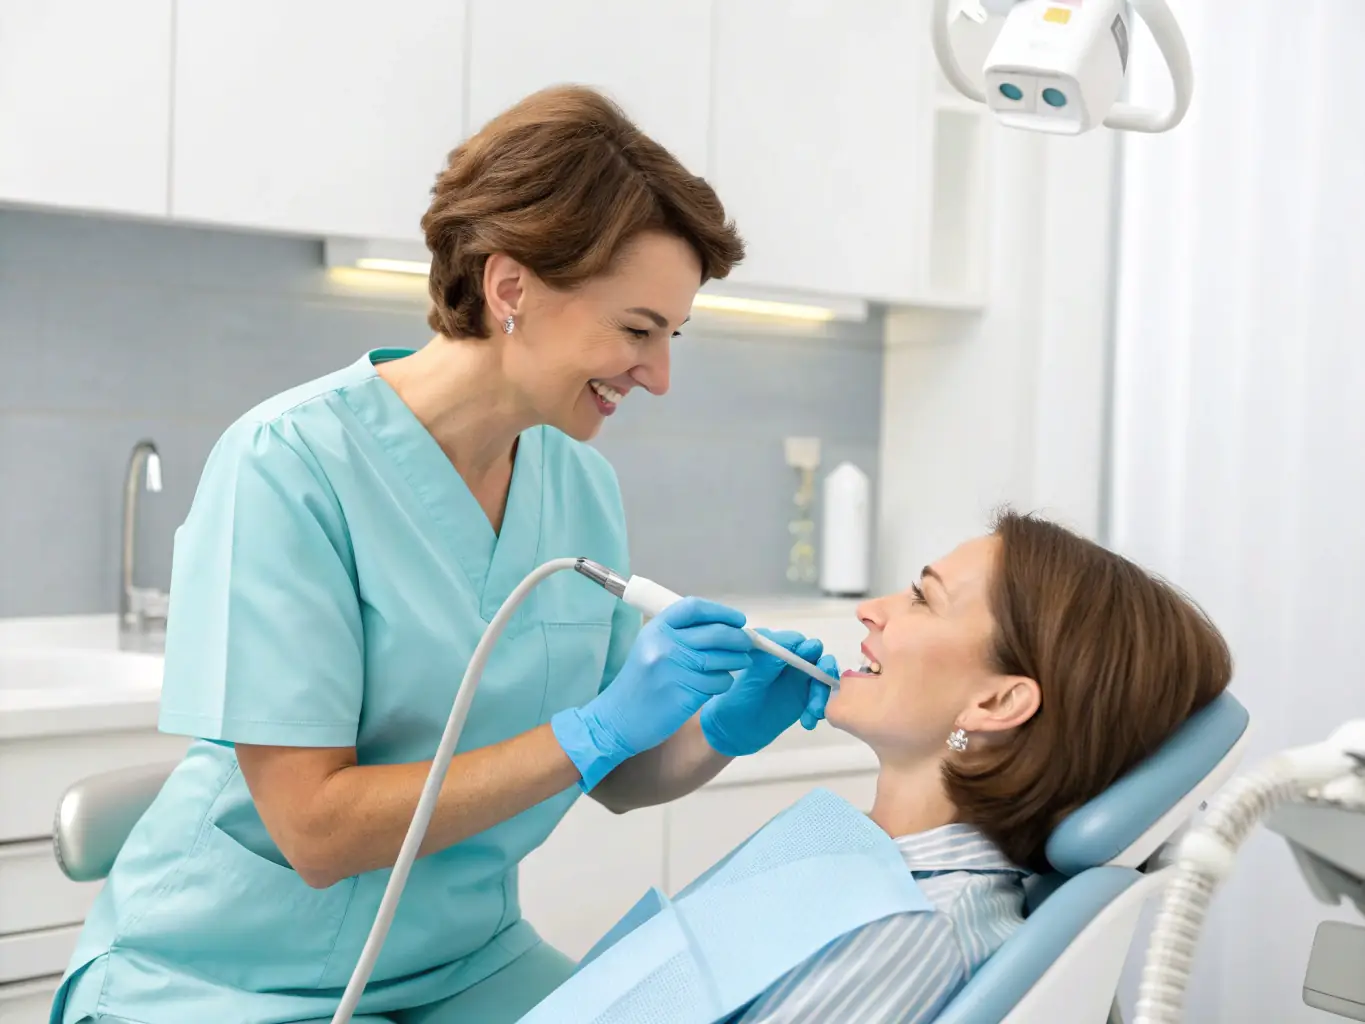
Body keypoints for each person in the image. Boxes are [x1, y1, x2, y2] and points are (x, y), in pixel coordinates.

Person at [51, 85, 830, 1024]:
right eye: (636, 330)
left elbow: (613, 773)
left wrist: (716, 731)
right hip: (224, 976)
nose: (658, 375)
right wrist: (591, 729)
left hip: (462, 964)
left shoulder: (578, 487)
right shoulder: (292, 466)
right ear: (510, 289)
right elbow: (314, 829)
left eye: (671, 336)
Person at [524, 509, 1234, 1023]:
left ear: (996, 701)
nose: (870, 611)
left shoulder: (913, 930)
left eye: (922, 598)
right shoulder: (862, 855)